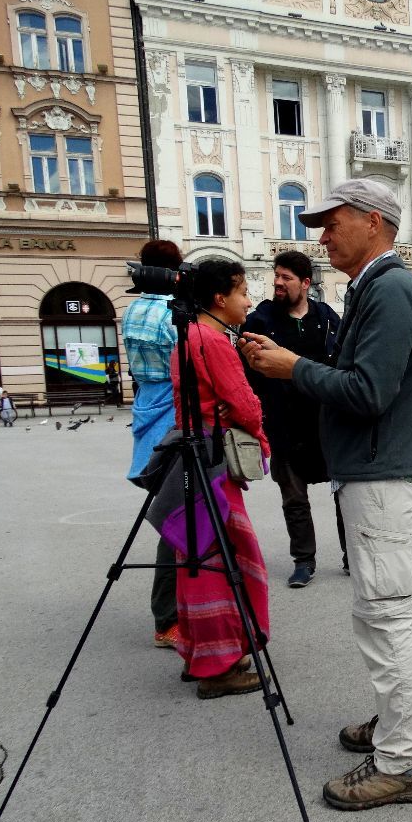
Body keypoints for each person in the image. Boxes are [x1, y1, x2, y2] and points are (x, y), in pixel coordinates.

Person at [240, 178, 412, 812]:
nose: (321, 236)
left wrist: (290, 368)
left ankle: (403, 760)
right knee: (384, 612)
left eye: (333, 223)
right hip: (375, 472)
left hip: (381, 477)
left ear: (374, 222)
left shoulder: (391, 290)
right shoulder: (378, 288)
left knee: (385, 614)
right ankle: (405, 728)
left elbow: (369, 391)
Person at [171, 259, 270, 699]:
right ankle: (220, 664)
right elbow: (246, 406)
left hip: (192, 460)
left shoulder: (185, 337)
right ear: (219, 298)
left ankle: (203, 655)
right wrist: (251, 416)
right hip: (214, 465)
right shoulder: (212, 340)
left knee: (196, 558)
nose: (248, 300)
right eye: (243, 291)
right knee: (224, 559)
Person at [242, 250, 347, 589]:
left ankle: (352, 556)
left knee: (344, 494)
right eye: (276, 277)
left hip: (327, 423)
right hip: (283, 424)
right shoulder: (260, 320)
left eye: (286, 278)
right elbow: (248, 372)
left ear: (305, 283)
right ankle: (304, 560)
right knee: (294, 499)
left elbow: (343, 365)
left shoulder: (329, 319)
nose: (278, 283)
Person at [122, 239, 184, 650]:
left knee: (172, 516)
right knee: (176, 520)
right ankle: (167, 619)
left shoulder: (133, 310)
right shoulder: (170, 314)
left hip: (146, 405)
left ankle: (175, 611)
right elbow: (186, 363)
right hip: (171, 411)